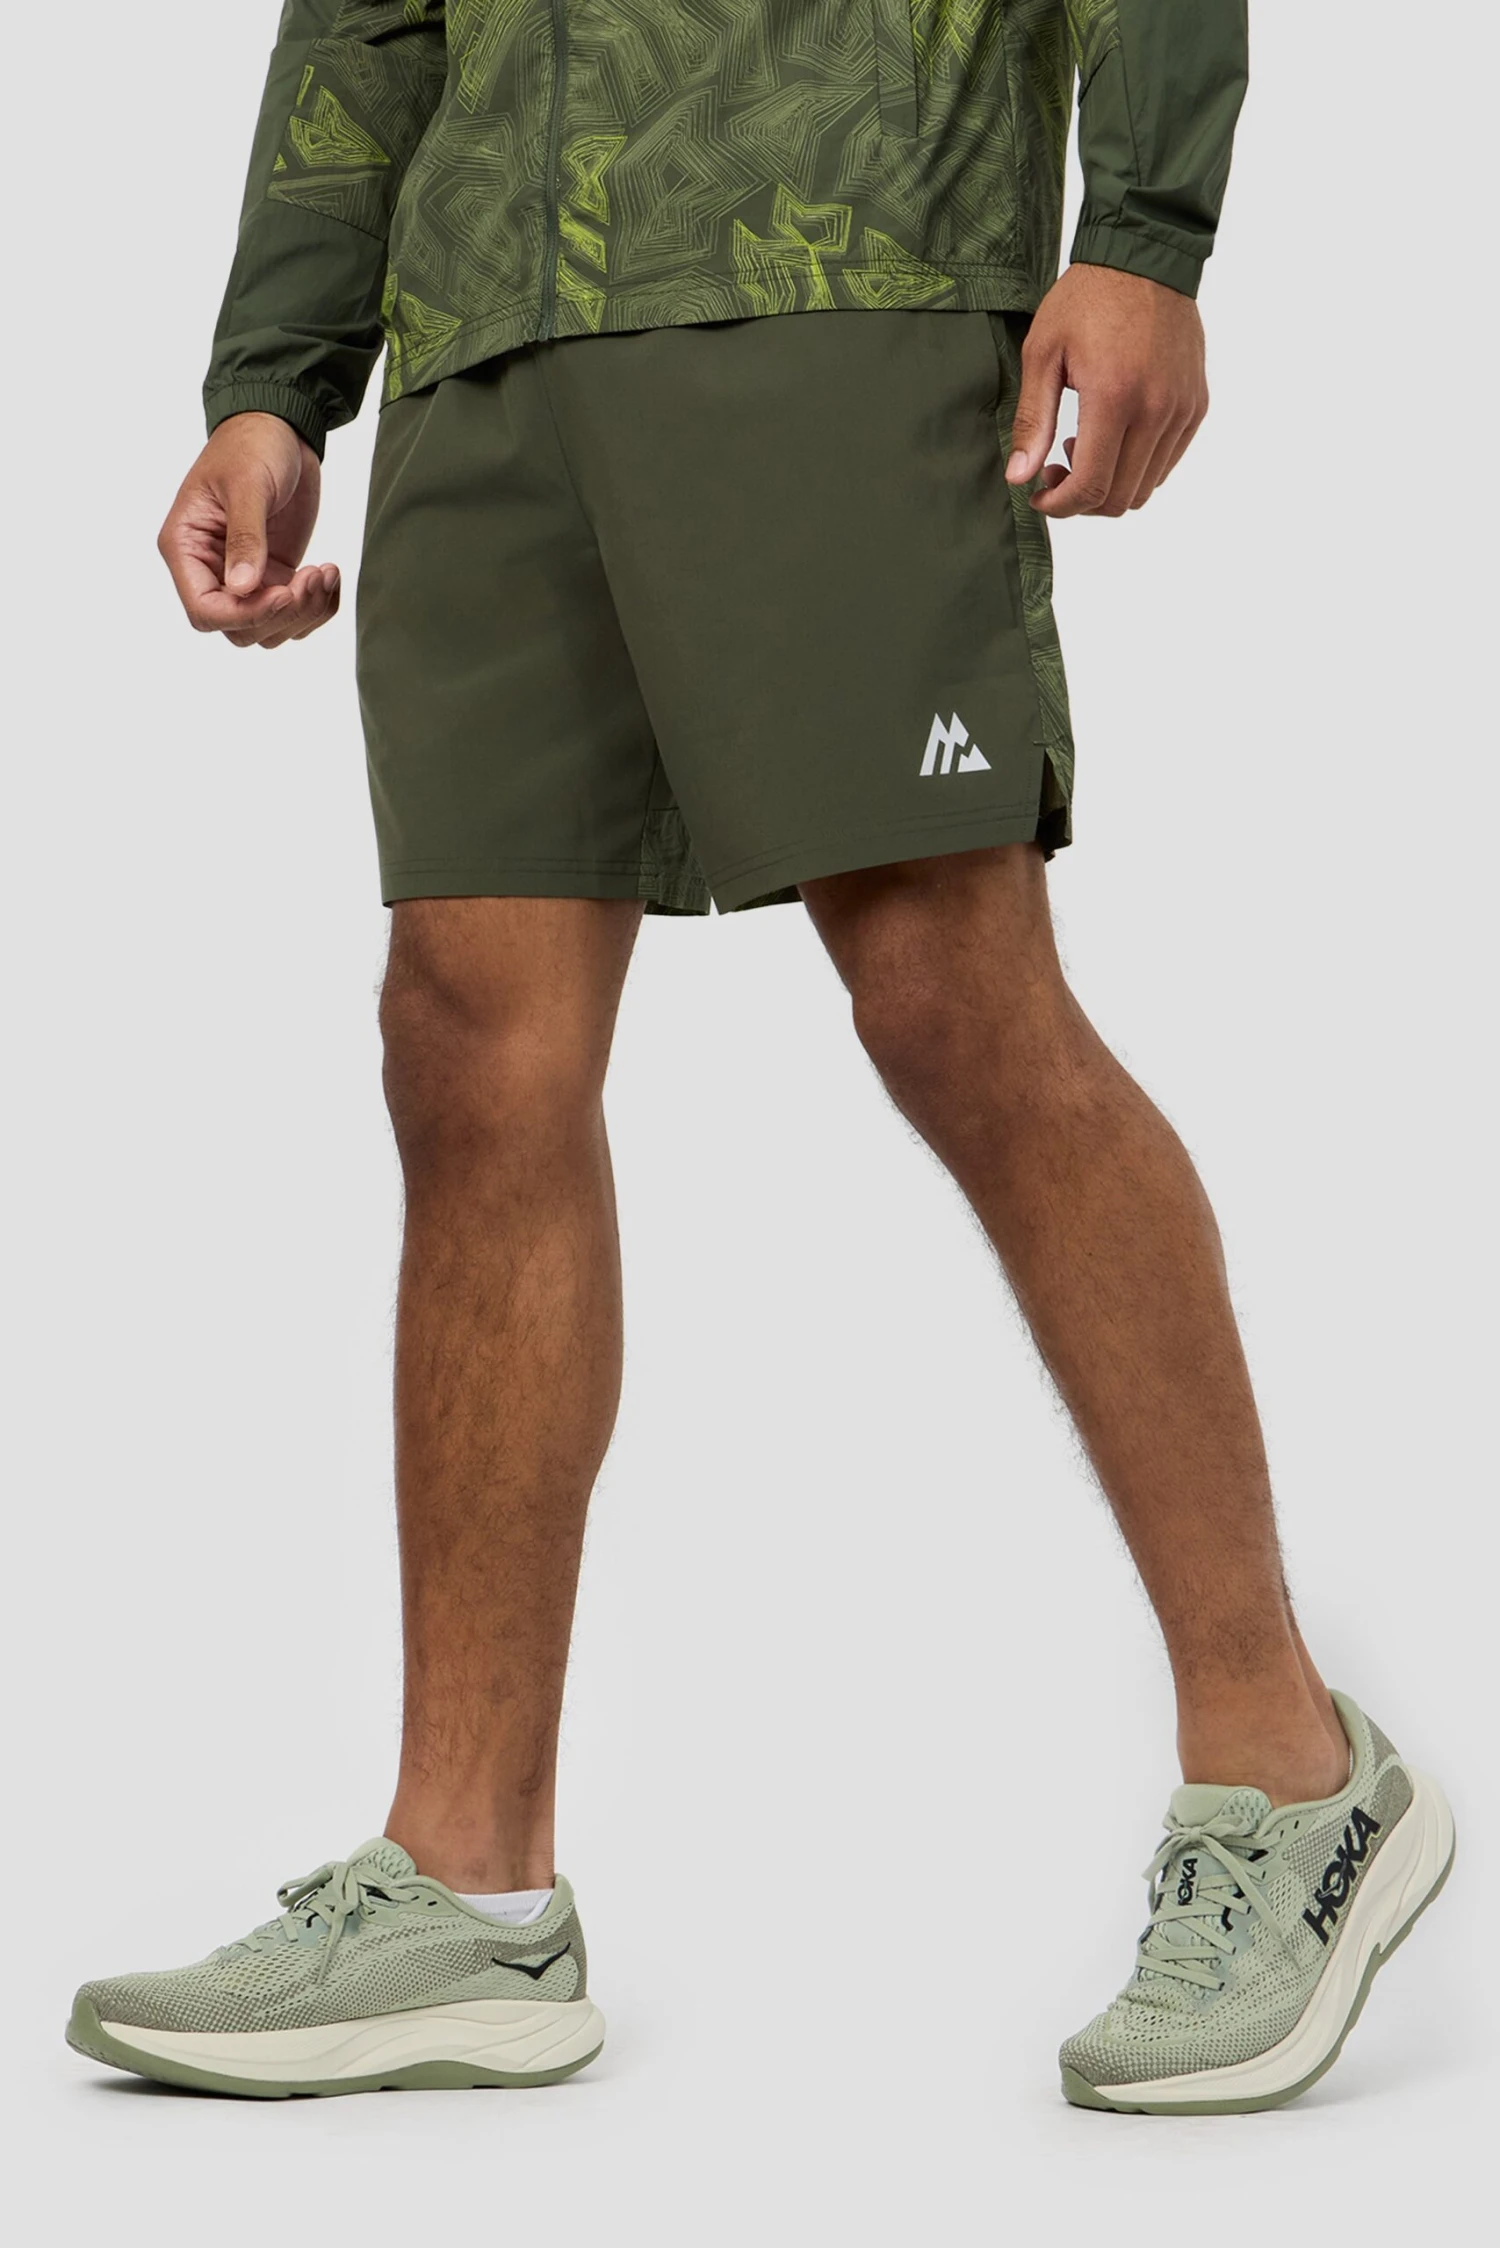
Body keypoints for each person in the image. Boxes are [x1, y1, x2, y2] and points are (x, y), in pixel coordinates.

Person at [66, 0, 1452, 2112]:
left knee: (949, 991)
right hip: (490, 322)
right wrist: (274, 377)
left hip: (841, 251)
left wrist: (1145, 234)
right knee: (465, 1039)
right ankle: (470, 1884)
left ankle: (1293, 1772)